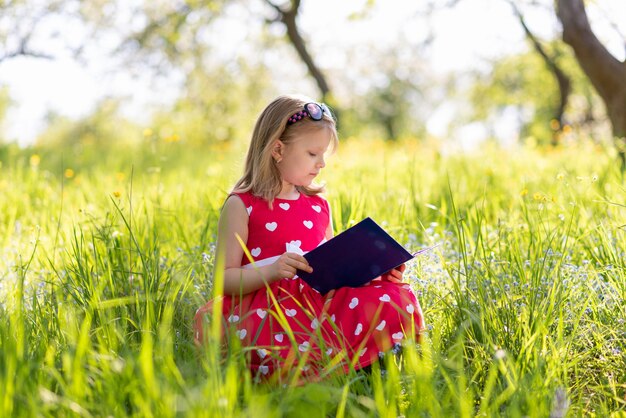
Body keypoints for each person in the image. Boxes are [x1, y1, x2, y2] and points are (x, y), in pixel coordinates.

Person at [194, 94, 424, 381]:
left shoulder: (318, 205)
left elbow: (331, 270)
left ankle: (372, 360)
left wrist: (376, 273)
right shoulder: (243, 205)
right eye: (313, 154)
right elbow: (223, 280)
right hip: (266, 308)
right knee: (281, 345)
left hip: (317, 300)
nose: (322, 164)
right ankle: (332, 367)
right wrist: (273, 270)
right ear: (278, 149)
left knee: (396, 298)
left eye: (323, 154)